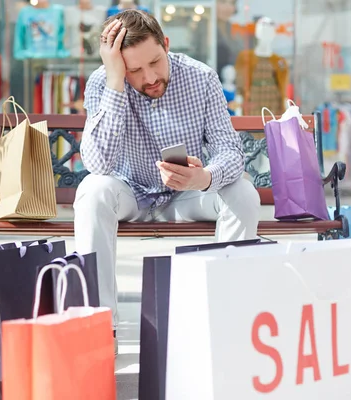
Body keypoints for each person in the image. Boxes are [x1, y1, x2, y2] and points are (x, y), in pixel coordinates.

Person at [73, 9, 261, 352]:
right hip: (129, 194)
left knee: (244, 195)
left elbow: (230, 151)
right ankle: (99, 331)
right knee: (91, 190)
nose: (149, 77)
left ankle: (223, 323)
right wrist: (116, 81)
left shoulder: (201, 78)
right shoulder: (103, 82)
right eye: (134, 69)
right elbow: (97, 164)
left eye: (155, 62)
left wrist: (204, 177)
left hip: (186, 197)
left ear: (166, 44)